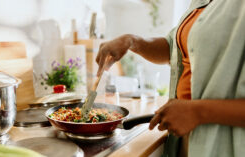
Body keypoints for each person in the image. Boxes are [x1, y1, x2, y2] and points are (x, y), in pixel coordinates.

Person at [95, 0, 245, 156]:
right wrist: (131, 41)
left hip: (224, 143)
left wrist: (197, 112)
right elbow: (173, 47)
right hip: (186, 137)